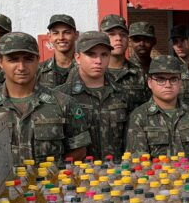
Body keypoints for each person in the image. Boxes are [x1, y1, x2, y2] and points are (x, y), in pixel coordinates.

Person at [0, 32, 91, 164]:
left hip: (49, 183)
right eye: (13, 60)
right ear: (0, 62)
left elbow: (79, 149)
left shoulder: (63, 103)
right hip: (4, 184)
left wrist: (54, 173)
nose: (21, 67)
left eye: (28, 59)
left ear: (37, 60)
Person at [56, 31, 130, 160]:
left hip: (117, 173)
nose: (98, 61)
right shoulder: (61, 96)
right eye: (91, 54)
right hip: (78, 175)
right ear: (77, 58)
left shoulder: (122, 94)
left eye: (104, 55)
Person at [126, 55, 189, 161]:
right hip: (156, 176)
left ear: (180, 82)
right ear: (150, 82)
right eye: (161, 79)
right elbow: (139, 158)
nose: (168, 85)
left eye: (173, 79)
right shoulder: (139, 116)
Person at [101, 14, 150, 109]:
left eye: (123, 34)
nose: (118, 38)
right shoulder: (93, 72)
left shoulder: (140, 73)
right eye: (111, 34)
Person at [37, 14, 78, 88]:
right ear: (49, 37)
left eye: (66, 32)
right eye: (56, 33)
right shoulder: (38, 70)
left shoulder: (85, 68)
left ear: (76, 35)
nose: (61, 37)